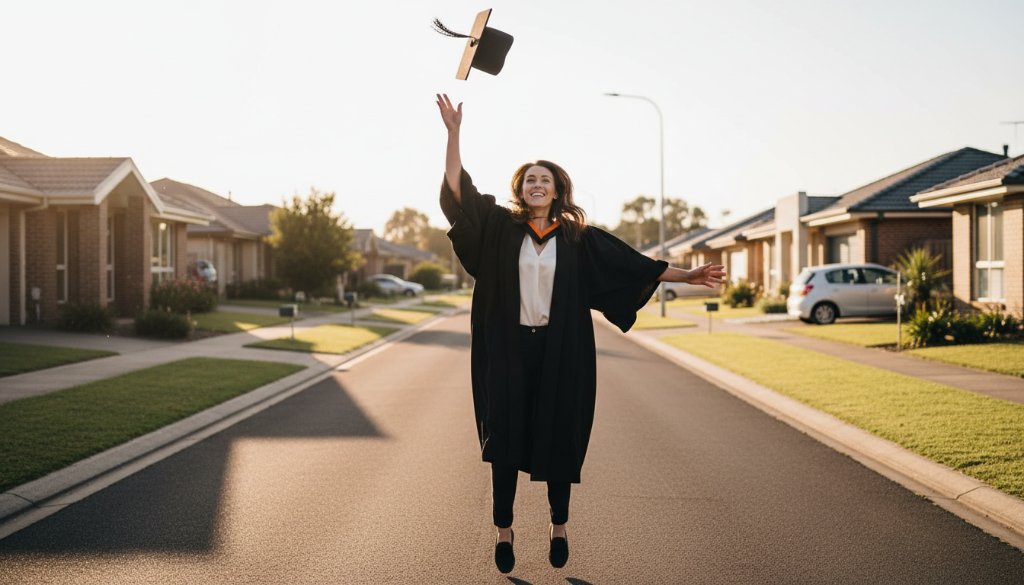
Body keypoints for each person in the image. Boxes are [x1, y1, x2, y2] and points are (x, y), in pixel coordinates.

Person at [435, 93, 725, 574]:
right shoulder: (501, 230)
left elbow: (634, 266)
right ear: (520, 189)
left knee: (558, 433)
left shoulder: (577, 239)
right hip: (507, 351)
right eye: (530, 179)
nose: (536, 185)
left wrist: (688, 274)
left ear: (557, 190)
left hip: (560, 352)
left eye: (544, 180)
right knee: (503, 439)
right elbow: (458, 195)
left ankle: (559, 526)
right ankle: (504, 532)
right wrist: (453, 134)